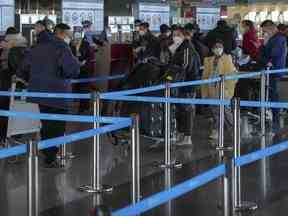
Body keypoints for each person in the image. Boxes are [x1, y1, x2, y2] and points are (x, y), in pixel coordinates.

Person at [18, 23, 80, 167]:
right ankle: (50, 157)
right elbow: (72, 70)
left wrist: (33, 80)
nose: (70, 38)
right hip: (57, 93)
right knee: (57, 126)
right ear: (62, 34)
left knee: (46, 123)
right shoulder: (62, 48)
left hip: (39, 93)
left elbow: (22, 69)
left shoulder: (36, 47)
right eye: (69, 35)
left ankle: (48, 153)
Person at [169, 26, 201, 146]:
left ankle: (187, 137)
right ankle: (181, 134)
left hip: (186, 85)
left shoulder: (187, 49)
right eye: (173, 35)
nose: (174, 37)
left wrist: (170, 77)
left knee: (186, 110)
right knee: (180, 111)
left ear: (183, 36)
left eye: (177, 35)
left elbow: (183, 68)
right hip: (181, 84)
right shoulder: (180, 48)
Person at [201, 40, 237, 145]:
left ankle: (234, 130)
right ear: (212, 49)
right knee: (215, 112)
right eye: (215, 47)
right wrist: (205, 92)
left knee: (226, 111)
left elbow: (232, 76)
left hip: (223, 89)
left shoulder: (227, 59)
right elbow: (205, 76)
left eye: (219, 47)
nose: (217, 49)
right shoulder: (208, 60)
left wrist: (226, 89)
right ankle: (217, 130)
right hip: (212, 88)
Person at [0, 27, 27, 144]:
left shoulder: (15, 51)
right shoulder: (22, 50)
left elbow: (16, 70)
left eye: (6, 41)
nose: (3, 43)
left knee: (6, 112)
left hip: (9, 87)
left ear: (12, 40)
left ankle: (5, 136)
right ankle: (9, 135)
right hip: (11, 88)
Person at [259, 20, 287, 129]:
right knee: (270, 93)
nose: (264, 33)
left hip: (275, 71)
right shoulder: (275, 39)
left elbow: (272, 55)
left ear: (270, 28)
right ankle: (273, 116)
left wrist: (264, 45)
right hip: (271, 70)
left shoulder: (279, 39)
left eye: (265, 31)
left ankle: (275, 118)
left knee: (273, 94)